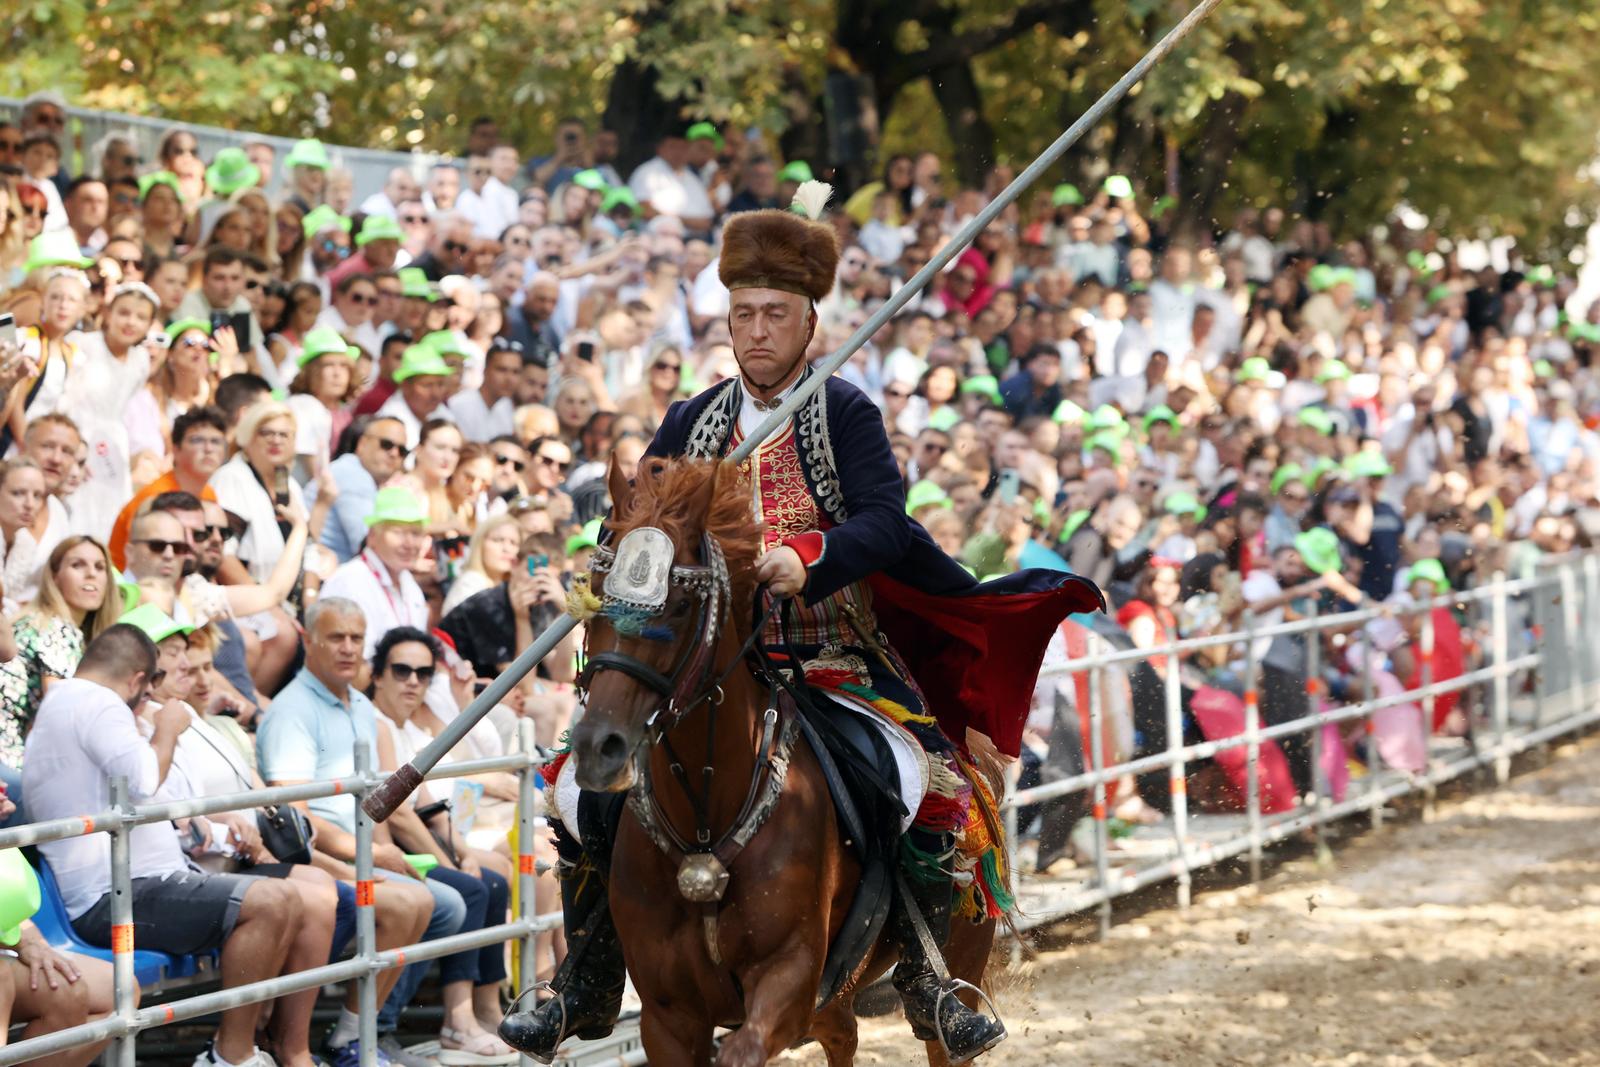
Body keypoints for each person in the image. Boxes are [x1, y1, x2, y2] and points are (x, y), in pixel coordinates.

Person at [502, 186, 1102, 1063]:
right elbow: (638, 522)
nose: (756, 331)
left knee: (925, 780)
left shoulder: (843, 411)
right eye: (743, 314)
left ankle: (931, 974)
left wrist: (809, 555)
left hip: (831, 657)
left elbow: (886, 522)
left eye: (775, 314)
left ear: (810, 322)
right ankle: (586, 973)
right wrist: (607, 570)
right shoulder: (692, 419)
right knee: (577, 784)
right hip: (702, 666)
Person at [25, 623, 302, 1067]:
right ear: (138, 679)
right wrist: (169, 727)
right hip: (112, 896)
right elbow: (144, 778)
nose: (150, 698)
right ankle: (230, 1056)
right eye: (149, 686)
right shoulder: (97, 701)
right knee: (272, 901)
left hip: (135, 885)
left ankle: (239, 1048)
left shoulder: (67, 701)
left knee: (287, 899)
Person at [255, 597, 466, 1067]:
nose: (348, 648)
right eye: (336, 637)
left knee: (441, 902)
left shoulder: (359, 706)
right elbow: (294, 821)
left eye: (356, 638)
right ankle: (344, 1037)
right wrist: (366, 857)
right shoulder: (293, 710)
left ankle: (361, 1033)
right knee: (419, 902)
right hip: (315, 863)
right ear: (309, 641)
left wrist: (382, 853)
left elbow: (376, 802)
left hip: (357, 853)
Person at [368, 628, 517, 1063]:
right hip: (390, 848)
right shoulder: (377, 724)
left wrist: (462, 852)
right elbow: (397, 813)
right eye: (402, 671)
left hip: (415, 842)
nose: (413, 681)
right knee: (471, 889)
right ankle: (455, 1019)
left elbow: (429, 805)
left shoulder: (406, 727)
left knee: (492, 883)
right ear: (378, 676)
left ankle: (485, 1009)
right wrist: (448, 861)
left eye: (423, 673)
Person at [0, 535, 116, 818]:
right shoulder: (53, 626)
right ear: (54, 576)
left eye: (100, 567)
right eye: (78, 565)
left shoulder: (44, 621)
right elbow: (63, 708)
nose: (91, 574)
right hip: (8, 758)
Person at [108, 406, 227, 570]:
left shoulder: (209, 494)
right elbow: (143, 561)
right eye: (197, 440)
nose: (208, 449)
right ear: (175, 449)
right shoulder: (155, 497)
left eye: (216, 441)